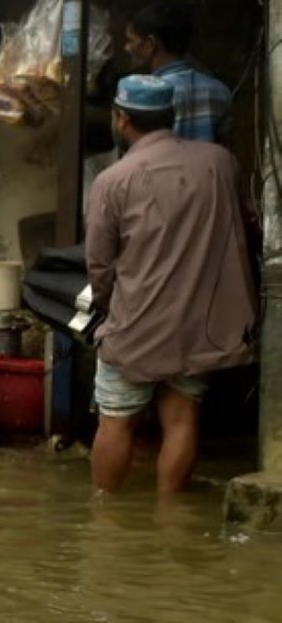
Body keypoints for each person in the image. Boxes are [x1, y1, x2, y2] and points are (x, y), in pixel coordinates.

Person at [85, 75, 255, 496]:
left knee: (116, 420)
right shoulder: (220, 162)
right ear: (171, 115)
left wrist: (108, 309)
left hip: (136, 326)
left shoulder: (113, 179)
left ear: (121, 119)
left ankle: (104, 517)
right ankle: (170, 516)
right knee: (182, 418)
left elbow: (100, 267)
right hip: (202, 325)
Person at [124, 3, 231, 144]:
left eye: (131, 40)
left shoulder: (145, 95)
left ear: (150, 44)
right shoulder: (220, 91)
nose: (127, 48)